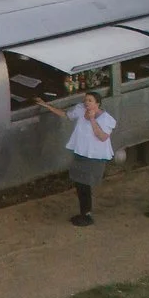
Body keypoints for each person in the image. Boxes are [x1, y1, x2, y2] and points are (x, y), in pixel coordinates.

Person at [37, 89, 117, 226]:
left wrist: (92, 119)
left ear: (97, 103)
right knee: (80, 184)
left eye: (90, 100)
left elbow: (102, 137)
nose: (86, 103)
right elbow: (66, 115)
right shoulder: (80, 110)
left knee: (85, 185)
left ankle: (87, 214)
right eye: (85, 100)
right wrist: (47, 106)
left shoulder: (105, 118)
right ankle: (84, 212)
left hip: (93, 156)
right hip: (81, 153)